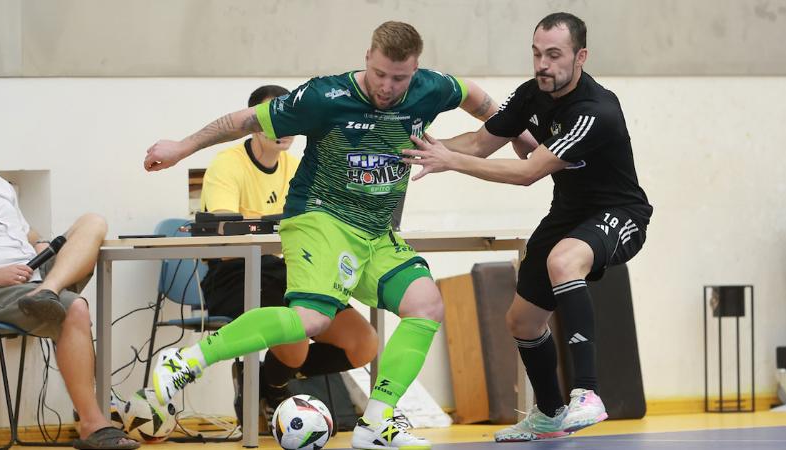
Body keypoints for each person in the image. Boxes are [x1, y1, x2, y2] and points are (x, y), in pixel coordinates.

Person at [143, 21, 498, 449]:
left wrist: (519, 133)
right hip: (319, 218)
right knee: (312, 319)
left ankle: (376, 423)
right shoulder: (325, 96)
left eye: (398, 78)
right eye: (380, 74)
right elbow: (242, 120)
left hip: (375, 230)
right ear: (367, 57)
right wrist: (181, 147)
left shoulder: (432, 88)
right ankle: (186, 360)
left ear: (415, 70)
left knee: (425, 304)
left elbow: (479, 100)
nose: (386, 86)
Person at [402, 12, 652, 442]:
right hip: (568, 213)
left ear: (581, 57)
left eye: (554, 55)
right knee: (522, 321)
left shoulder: (595, 111)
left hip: (620, 213)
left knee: (563, 260)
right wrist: (421, 150)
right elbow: (480, 143)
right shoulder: (530, 95)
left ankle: (587, 394)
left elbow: (527, 173)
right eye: (537, 54)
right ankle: (550, 414)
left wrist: (452, 162)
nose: (542, 65)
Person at [199, 84, 379, 426]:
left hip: (288, 270)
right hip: (236, 274)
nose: (284, 129)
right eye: (274, 119)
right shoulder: (227, 164)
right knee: (294, 338)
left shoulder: (299, 166)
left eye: (290, 119)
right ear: (254, 124)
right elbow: (226, 230)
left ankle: (270, 380)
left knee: (364, 343)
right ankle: (275, 387)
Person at [0, 105, 139, 450]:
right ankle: (94, 423)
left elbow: (21, 230)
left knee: (93, 221)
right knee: (76, 309)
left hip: (34, 273)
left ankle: (49, 289)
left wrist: (40, 242)